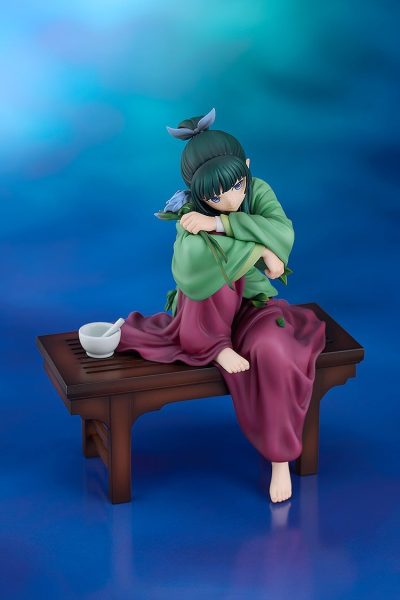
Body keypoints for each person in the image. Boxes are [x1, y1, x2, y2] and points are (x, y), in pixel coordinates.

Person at [116, 108, 326, 503]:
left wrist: (220, 224)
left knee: (275, 351)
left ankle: (280, 459)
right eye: (215, 196)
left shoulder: (257, 191)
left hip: (254, 306)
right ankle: (214, 347)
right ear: (197, 191)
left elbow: (282, 230)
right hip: (207, 313)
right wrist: (259, 250)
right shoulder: (188, 210)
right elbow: (191, 266)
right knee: (212, 272)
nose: (230, 200)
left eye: (236, 186)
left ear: (246, 168)